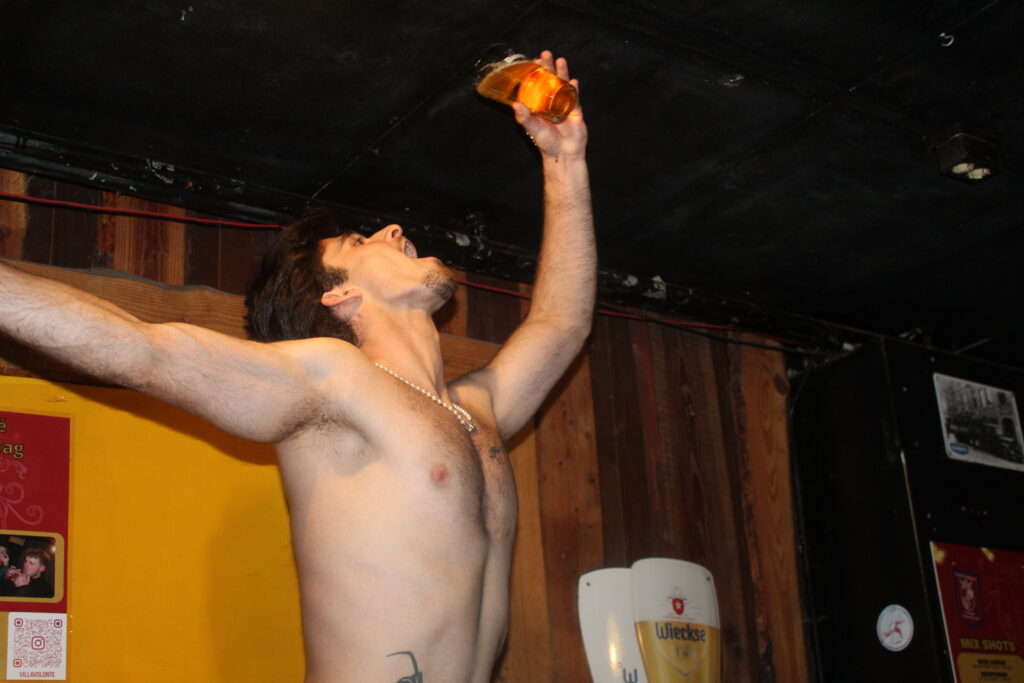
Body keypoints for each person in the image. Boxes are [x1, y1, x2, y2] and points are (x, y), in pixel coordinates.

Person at [0, 50, 594, 682]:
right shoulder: (334, 379)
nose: (393, 229)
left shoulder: (478, 409)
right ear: (341, 296)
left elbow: (562, 324)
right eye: (361, 242)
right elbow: (148, 350)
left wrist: (565, 161)